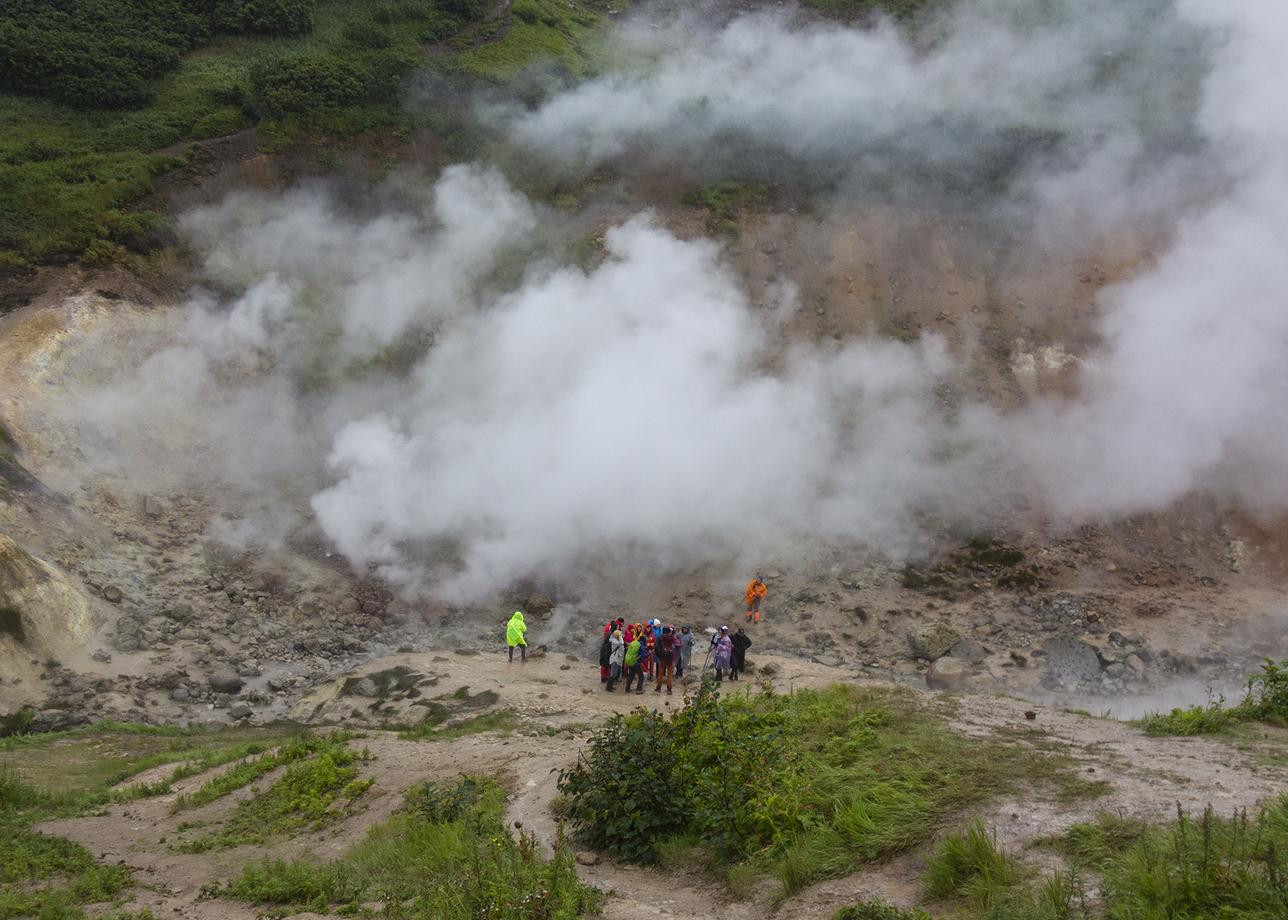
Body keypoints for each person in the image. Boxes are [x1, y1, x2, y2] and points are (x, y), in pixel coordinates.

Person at [654, 626, 677, 694]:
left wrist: (659, 655)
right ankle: (669, 689)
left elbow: (656, 647)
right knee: (670, 674)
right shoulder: (672, 638)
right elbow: (675, 646)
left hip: (663, 658)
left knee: (660, 673)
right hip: (670, 657)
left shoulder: (660, 637)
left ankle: (658, 688)